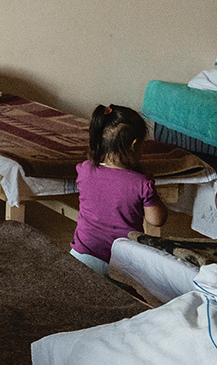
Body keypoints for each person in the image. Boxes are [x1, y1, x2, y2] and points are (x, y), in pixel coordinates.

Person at [71, 104, 167, 274]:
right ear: (134, 145)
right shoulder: (141, 183)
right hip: (122, 262)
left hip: (81, 256)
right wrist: (153, 193)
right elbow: (157, 219)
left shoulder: (84, 170)